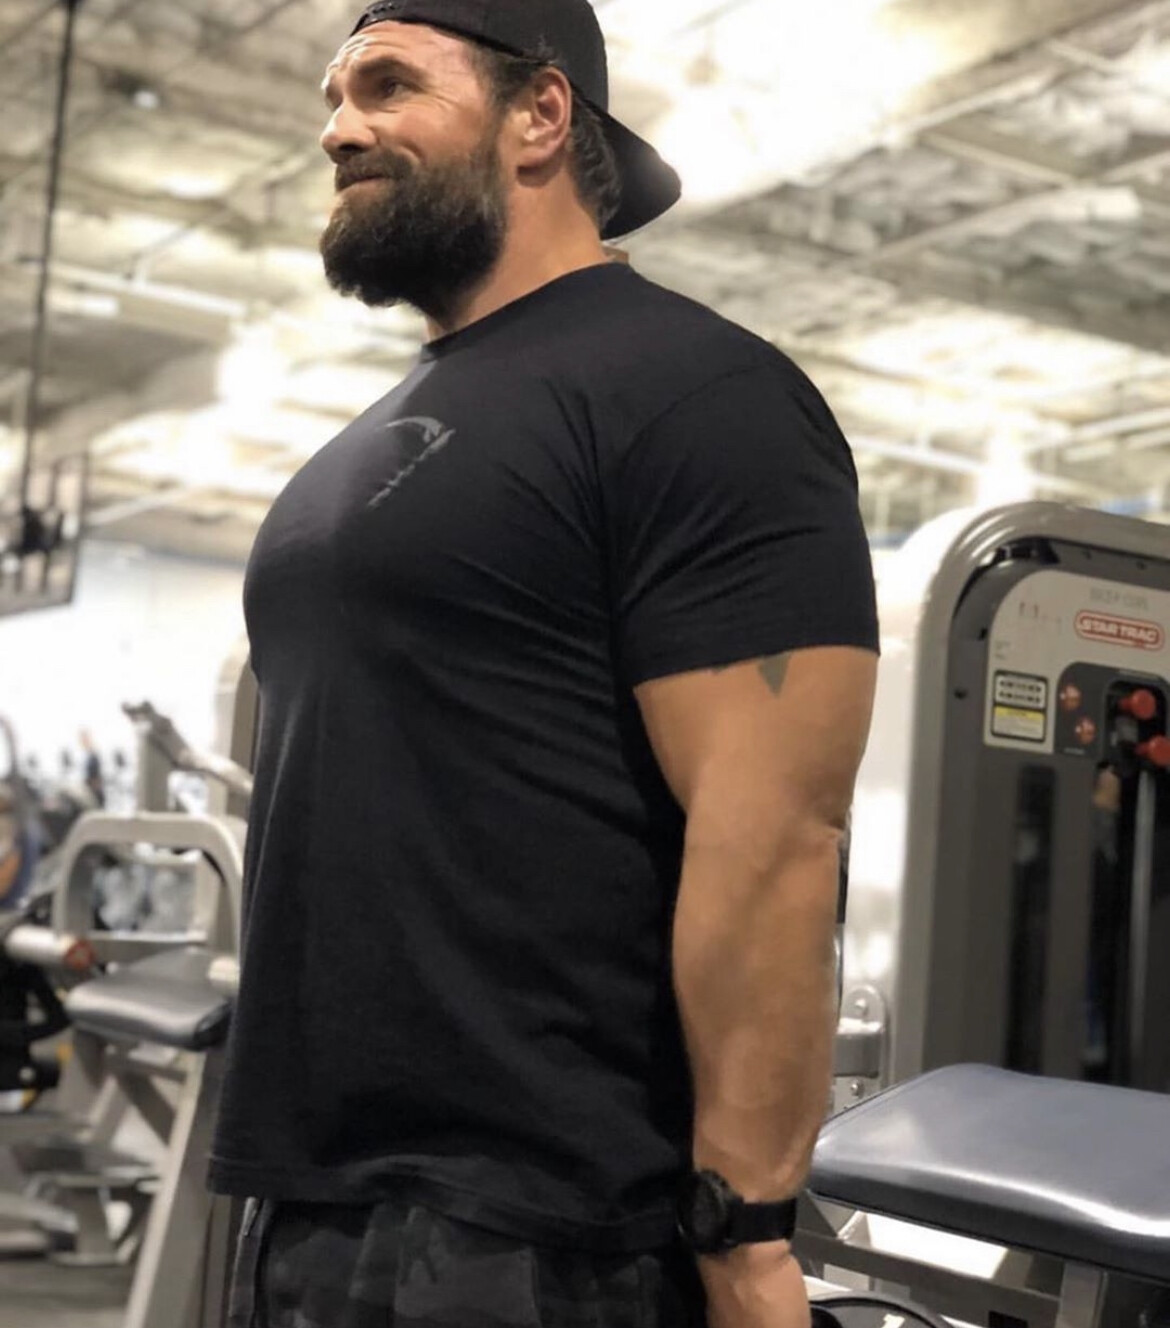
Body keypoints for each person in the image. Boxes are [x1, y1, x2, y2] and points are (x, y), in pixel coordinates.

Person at [208, 2, 879, 1326]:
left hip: (547, 1231)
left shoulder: (699, 395)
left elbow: (773, 838)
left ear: (542, 115)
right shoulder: (376, 435)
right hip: (317, 1190)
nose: (338, 129)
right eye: (335, 97)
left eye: (388, 85)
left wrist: (744, 1232)